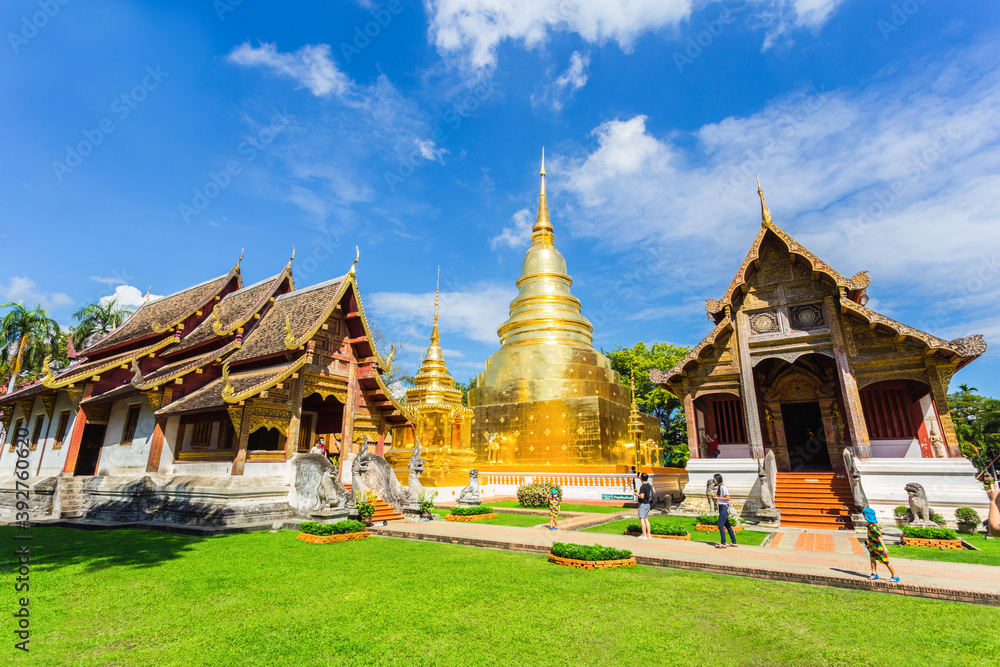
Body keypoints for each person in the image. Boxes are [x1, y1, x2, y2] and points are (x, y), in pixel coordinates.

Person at [863, 507, 899, 582]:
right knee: (872, 559)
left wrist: (884, 547)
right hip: (872, 547)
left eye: (864, 515)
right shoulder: (870, 525)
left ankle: (895, 576)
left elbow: (879, 536)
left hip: (878, 547)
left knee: (885, 561)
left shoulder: (874, 526)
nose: (864, 516)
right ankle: (874, 573)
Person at [713, 473, 737, 549]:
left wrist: (717, 498)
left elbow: (728, 498)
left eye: (714, 479)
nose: (714, 481)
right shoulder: (719, 487)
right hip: (721, 507)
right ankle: (734, 542)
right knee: (727, 525)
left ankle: (723, 543)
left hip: (724, 507)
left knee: (720, 525)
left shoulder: (723, 487)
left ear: (718, 480)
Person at [634, 473, 654, 539]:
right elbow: (644, 480)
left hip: (643, 504)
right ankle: (649, 534)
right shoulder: (648, 485)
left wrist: (637, 495)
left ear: (642, 478)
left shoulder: (642, 487)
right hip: (647, 504)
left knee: (641, 519)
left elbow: (642, 496)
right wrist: (640, 478)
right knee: (646, 519)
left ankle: (644, 535)